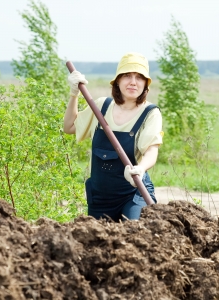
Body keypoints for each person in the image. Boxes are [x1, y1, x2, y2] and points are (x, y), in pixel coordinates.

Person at [63, 52, 163, 222]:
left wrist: (141, 168)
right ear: (117, 80)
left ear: (146, 84)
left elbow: (151, 151)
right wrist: (74, 95)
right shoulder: (102, 106)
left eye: (139, 77)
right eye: (127, 76)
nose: (133, 82)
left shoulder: (150, 113)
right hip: (101, 197)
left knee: (134, 233)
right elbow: (69, 127)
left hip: (133, 194)